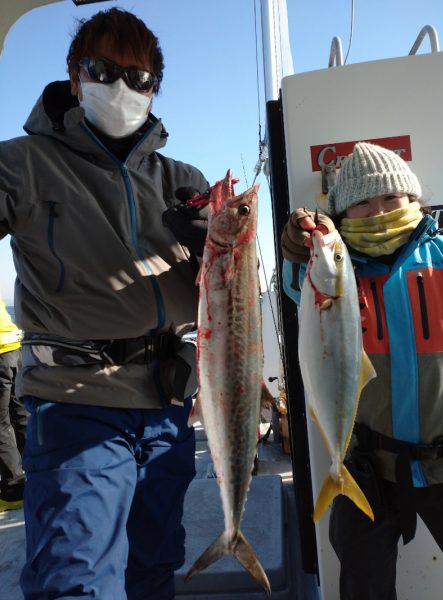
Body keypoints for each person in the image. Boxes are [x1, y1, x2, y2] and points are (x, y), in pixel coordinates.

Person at [0, 8, 211, 600]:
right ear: (75, 78)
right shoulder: (21, 164)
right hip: (76, 401)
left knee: (154, 563)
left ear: (155, 89)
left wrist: (217, 244)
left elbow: (224, 295)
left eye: (140, 77)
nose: (122, 86)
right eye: (103, 69)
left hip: (169, 402)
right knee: (78, 578)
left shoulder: (183, 180)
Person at [281, 142, 443, 600]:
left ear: (414, 199)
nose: (378, 211)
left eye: (391, 198)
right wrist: (302, 244)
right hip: (366, 467)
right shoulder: (335, 268)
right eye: (362, 202)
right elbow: (297, 282)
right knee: (363, 587)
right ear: (342, 214)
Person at [0, 296, 26, 512]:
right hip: (14, 349)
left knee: (1, 426)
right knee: (21, 415)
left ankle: (13, 491)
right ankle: (37, 476)